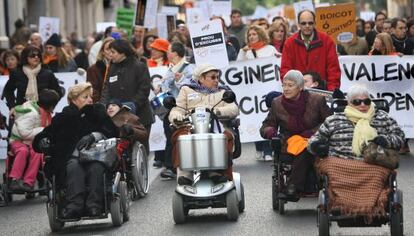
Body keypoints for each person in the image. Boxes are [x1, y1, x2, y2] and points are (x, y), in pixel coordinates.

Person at [33, 82, 119, 219]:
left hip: (95, 155)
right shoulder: (62, 118)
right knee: (74, 168)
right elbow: (46, 134)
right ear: (74, 99)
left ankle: (94, 205)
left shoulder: (98, 113)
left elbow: (113, 131)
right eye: (85, 97)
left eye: (90, 96)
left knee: (96, 168)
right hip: (71, 157)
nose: (90, 100)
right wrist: (43, 140)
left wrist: (94, 136)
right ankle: (74, 206)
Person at [260, 70, 331, 196]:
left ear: (300, 87)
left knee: (307, 146)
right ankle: (300, 185)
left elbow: (329, 122)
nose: (286, 89)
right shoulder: (277, 103)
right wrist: (270, 132)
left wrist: (313, 133)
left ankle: (294, 185)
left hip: (314, 138)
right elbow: (267, 125)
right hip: (289, 141)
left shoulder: (317, 100)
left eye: (290, 85)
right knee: (304, 147)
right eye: (284, 85)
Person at [169, 64, 239, 185]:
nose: (217, 80)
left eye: (217, 77)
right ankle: (186, 173)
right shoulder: (186, 90)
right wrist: (177, 116)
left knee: (226, 136)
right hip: (191, 125)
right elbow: (176, 109)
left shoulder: (224, 91)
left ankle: (218, 171)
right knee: (180, 137)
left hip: (217, 126)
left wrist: (217, 112)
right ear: (201, 78)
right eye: (213, 77)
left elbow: (234, 108)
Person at [308, 84, 405, 161]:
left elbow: (400, 137)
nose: (362, 105)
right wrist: (317, 146)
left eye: (366, 101)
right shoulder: (334, 120)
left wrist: (386, 140)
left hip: (375, 163)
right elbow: (314, 140)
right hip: (339, 164)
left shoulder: (383, 117)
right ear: (349, 103)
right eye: (357, 102)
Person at [100, 39, 153, 152]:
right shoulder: (112, 67)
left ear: (122, 52)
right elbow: (107, 89)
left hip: (140, 116)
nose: (110, 55)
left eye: (113, 52)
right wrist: (104, 104)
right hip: (118, 118)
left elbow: (144, 90)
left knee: (140, 150)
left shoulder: (139, 66)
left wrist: (132, 105)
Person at [8, 89, 60, 191]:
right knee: (23, 151)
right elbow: (24, 133)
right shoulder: (31, 114)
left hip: (31, 141)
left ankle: (28, 182)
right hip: (19, 140)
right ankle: (15, 179)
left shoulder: (43, 112)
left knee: (37, 153)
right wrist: (43, 130)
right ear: (50, 105)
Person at [281, 10, 341, 91]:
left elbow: (333, 69)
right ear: (298, 24)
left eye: (310, 23)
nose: (307, 26)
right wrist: (292, 89)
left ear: (315, 23)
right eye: (303, 23)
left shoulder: (326, 40)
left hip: (322, 91)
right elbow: (286, 70)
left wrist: (332, 91)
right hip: (298, 92)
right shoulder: (289, 43)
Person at [2, 45, 63, 114]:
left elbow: (58, 92)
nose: (36, 57)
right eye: (32, 55)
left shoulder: (47, 73)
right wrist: (12, 107)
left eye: (38, 55)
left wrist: (50, 107)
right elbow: (8, 90)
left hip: (42, 113)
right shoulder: (17, 73)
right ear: (25, 57)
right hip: (22, 111)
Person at [86, 37, 115, 103]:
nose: (111, 52)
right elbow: (93, 91)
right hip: (101, 105)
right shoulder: (93, 69)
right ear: (102, 52)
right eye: (108, 49)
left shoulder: (121, 68)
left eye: (113, 49)